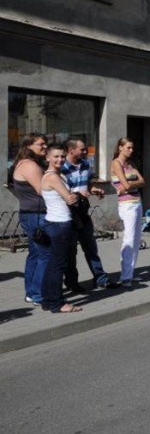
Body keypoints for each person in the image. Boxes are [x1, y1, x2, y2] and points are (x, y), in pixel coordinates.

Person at [61, 139, 117, 291]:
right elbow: (60, 192)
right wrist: (78, 193)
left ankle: (101, 278)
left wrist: (94, 189)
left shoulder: (85, 165)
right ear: (71, 150)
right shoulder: (61, 168)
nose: (85, 152)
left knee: (91, 248)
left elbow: (87, 184)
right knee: (70, 252)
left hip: (83, 212)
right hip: (69, 213)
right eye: (82, 149)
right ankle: (72, 282)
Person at [40, 144, 83, 313]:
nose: (60, 159)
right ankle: (58, 303)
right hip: (60, 224)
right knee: (59, 264)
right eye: (56, 156)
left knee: (52, 264)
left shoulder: (58, 175)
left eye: (62, 156)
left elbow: (70, 197)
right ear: (48, 158)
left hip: (55, 222)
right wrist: (75, 196)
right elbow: (70, 199)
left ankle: (47, 300)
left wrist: (73, 196)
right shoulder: (52, 177)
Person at [11, 133, 48, 306]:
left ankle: (32, 292)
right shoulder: (30, 165)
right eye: (41, 144)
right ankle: (37, 294)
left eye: (46, 144)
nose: (45, 147)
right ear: (28, 146)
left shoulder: (25, 163)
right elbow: (43, 190)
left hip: (31, 214)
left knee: (35, 254)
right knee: (44, 255)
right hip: (36, 215)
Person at [110, 138, 145, 287]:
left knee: (136, 239)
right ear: (120, 148)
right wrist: (128, 185)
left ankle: (130, 273)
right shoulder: (116, 163)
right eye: (128, 148)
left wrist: (129, 184)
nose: (131, 150)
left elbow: (143, 181)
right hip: (127, 204)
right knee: (129, 239)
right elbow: (124, 184)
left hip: (137, 202)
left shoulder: (130, 164)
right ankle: (125, 277)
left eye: (132, 148)